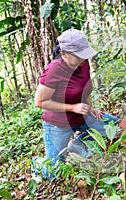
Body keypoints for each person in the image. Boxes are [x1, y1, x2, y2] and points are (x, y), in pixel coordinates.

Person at [33, 29, 119, 178]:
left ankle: (77, 144)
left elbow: (85, 87)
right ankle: (37, 163)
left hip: (81, 117)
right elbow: (40, 101)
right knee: (54, 172)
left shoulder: (83, 63)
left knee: (115, 126)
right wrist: (73, 107)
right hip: (57, 123)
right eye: (78, 54)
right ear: (64, 53)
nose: (82, 58)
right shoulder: (54, 70)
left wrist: (90, 108)